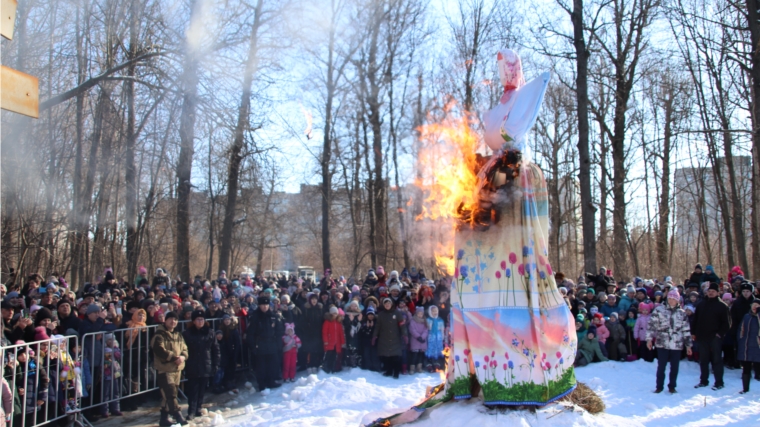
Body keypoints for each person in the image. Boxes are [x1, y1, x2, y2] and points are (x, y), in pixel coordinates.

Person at [646, 290, 693, 394]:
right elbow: (651, 325)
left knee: (674, 367)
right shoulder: (659, 310)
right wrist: (649, 339)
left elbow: (686, 330)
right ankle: (659, 386)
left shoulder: (682, 313)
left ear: (678, 301)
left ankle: (672, 386)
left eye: (674, 299)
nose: (672, 301)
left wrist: (688, 345)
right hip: (662, 342)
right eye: (670, 298)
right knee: (661, 366)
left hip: (676, 343)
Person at [151, 311, 188, 426]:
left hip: (177, 369)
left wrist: (182, 357)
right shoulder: (159, 335)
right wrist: (174, 358)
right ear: (165, 320)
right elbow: (159, 350)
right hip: (165, 369)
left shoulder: (178, 335)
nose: (173, 321)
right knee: (170, 394)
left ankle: (164, 418)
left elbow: (185, 349)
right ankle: (177, 415)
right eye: (171, 319)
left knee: (168, 396)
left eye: (175, 319)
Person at [692, 282, 731, 390]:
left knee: (717, 360)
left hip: (715, 337)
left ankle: (719, 382)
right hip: (702, 337)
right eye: (709, 291)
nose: (710, 293)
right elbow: (695, 320)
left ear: (718, 293)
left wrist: (719, 334)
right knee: (703, 360)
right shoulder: (701, 304)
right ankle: (703, 381)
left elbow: (727, 323)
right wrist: (693, 333)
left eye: (713, 291)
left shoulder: (722, 306)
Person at [182, 310, 219, 420]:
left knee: (202, 388)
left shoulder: (210, 332)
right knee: (193, 389)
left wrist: (216, 364)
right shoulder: (187, 333)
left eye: (202, 319)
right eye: (198, 319)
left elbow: (215, 349)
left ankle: (198, 407)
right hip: (192, 364)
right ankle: (191, 411)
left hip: (205, 363)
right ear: (193, 321)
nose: (200, 321)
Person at [247, 295, 283, 391]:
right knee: (261, 366)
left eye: (266, 304)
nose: (265, 307)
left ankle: (271, 381)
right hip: (260, 344)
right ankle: (262, 384)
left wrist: (279, 344)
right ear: (259, 305)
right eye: (263, 304)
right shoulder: (255, 317)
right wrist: (253, 347)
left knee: (273, 364)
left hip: (272, 343)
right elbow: (250, 333)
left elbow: (279, 331)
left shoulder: (273, 316)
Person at [372, 298, 407, 379]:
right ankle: (389, 371)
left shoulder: (397, 313)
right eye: (385, 303)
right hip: (384, 338)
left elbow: (402, 325)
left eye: (389, 303)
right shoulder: (381, 314)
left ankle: (396, 372)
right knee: (386, 357)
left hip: (395, 338)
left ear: (391, 304)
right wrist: (375, 336)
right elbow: (377, 327)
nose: (387, 305)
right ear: (384, 305)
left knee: (396, 357)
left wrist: (404, 334)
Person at [737, 298, 760, 394]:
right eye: (753, 305)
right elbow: (741, 329)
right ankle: (745, 388)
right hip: (746, 346)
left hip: (757, 346)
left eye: (757, 305)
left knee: (758, 369)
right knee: (746, 369)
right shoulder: (746, 316)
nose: (755, 307)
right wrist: (740, 340)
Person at [298, 294, 324, 375]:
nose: (314, 301)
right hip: (308, 334)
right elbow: (302, 322)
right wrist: (307, 328)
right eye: (312, 299)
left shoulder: (320, 309)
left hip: (318, 333)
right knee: (309, 351)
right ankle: (309, 366)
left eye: (315, 299)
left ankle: (315, 365)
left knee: (316, 351)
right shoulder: (306, 309)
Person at [322, 306, 345, 373]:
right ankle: (326, 367)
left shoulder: (338, 322)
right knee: (328, 355)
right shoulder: (327, 322)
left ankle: (333, 368)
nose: (335, 315)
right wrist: (325, 341)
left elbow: (341, 333)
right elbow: (324, 332)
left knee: (334, 356)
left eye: (336, 313)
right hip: (329, 342)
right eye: (334, 313)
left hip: (337, 343)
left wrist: (342, 342)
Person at [408, 306, 428, 374]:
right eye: (419, 314)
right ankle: (412, 368)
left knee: (420, 355)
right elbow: (412, 330)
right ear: (416, 313)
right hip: (415, 340)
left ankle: (419, 368)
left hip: (422, 341)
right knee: (414, 355)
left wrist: (422, 337)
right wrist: (418, 337)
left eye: (421, 314)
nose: (420, 315)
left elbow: (426, 330)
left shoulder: (425, 321)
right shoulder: (413, 320)